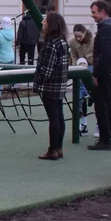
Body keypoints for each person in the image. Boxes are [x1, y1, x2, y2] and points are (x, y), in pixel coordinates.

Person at [33, 12, 70, 161]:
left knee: (53, 117)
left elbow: (47, 68)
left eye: (45, 20)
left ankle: (52, 149)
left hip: (50, 85)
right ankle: (58, 147)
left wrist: (38, 82)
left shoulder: (51, 43)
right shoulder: (62, 41)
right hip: (60, 83)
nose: (42, 22)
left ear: (51, 24)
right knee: (59, 116)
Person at [88, 0, 111, 151]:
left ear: (103, 12)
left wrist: (96, 73)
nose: (92, 15)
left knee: (101, 105)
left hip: (106, 72)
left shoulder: (106, 29)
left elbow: (104, 54)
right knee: (107, 105)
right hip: (110, 71)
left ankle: (105, 139)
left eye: (94, 12)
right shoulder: (110, 27)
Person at [69, 24, 95, 135]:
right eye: (76, 36)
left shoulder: (93, 40)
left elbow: (96, 55)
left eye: (80, 36)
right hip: (80, 67)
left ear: (85, 32)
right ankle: (83, 124)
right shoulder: (72, 42)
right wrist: (77, 67)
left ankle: (99, 125)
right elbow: (73, 56)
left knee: (95, 96)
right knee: (79, 96)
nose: (78, 39)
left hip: (92, 66)